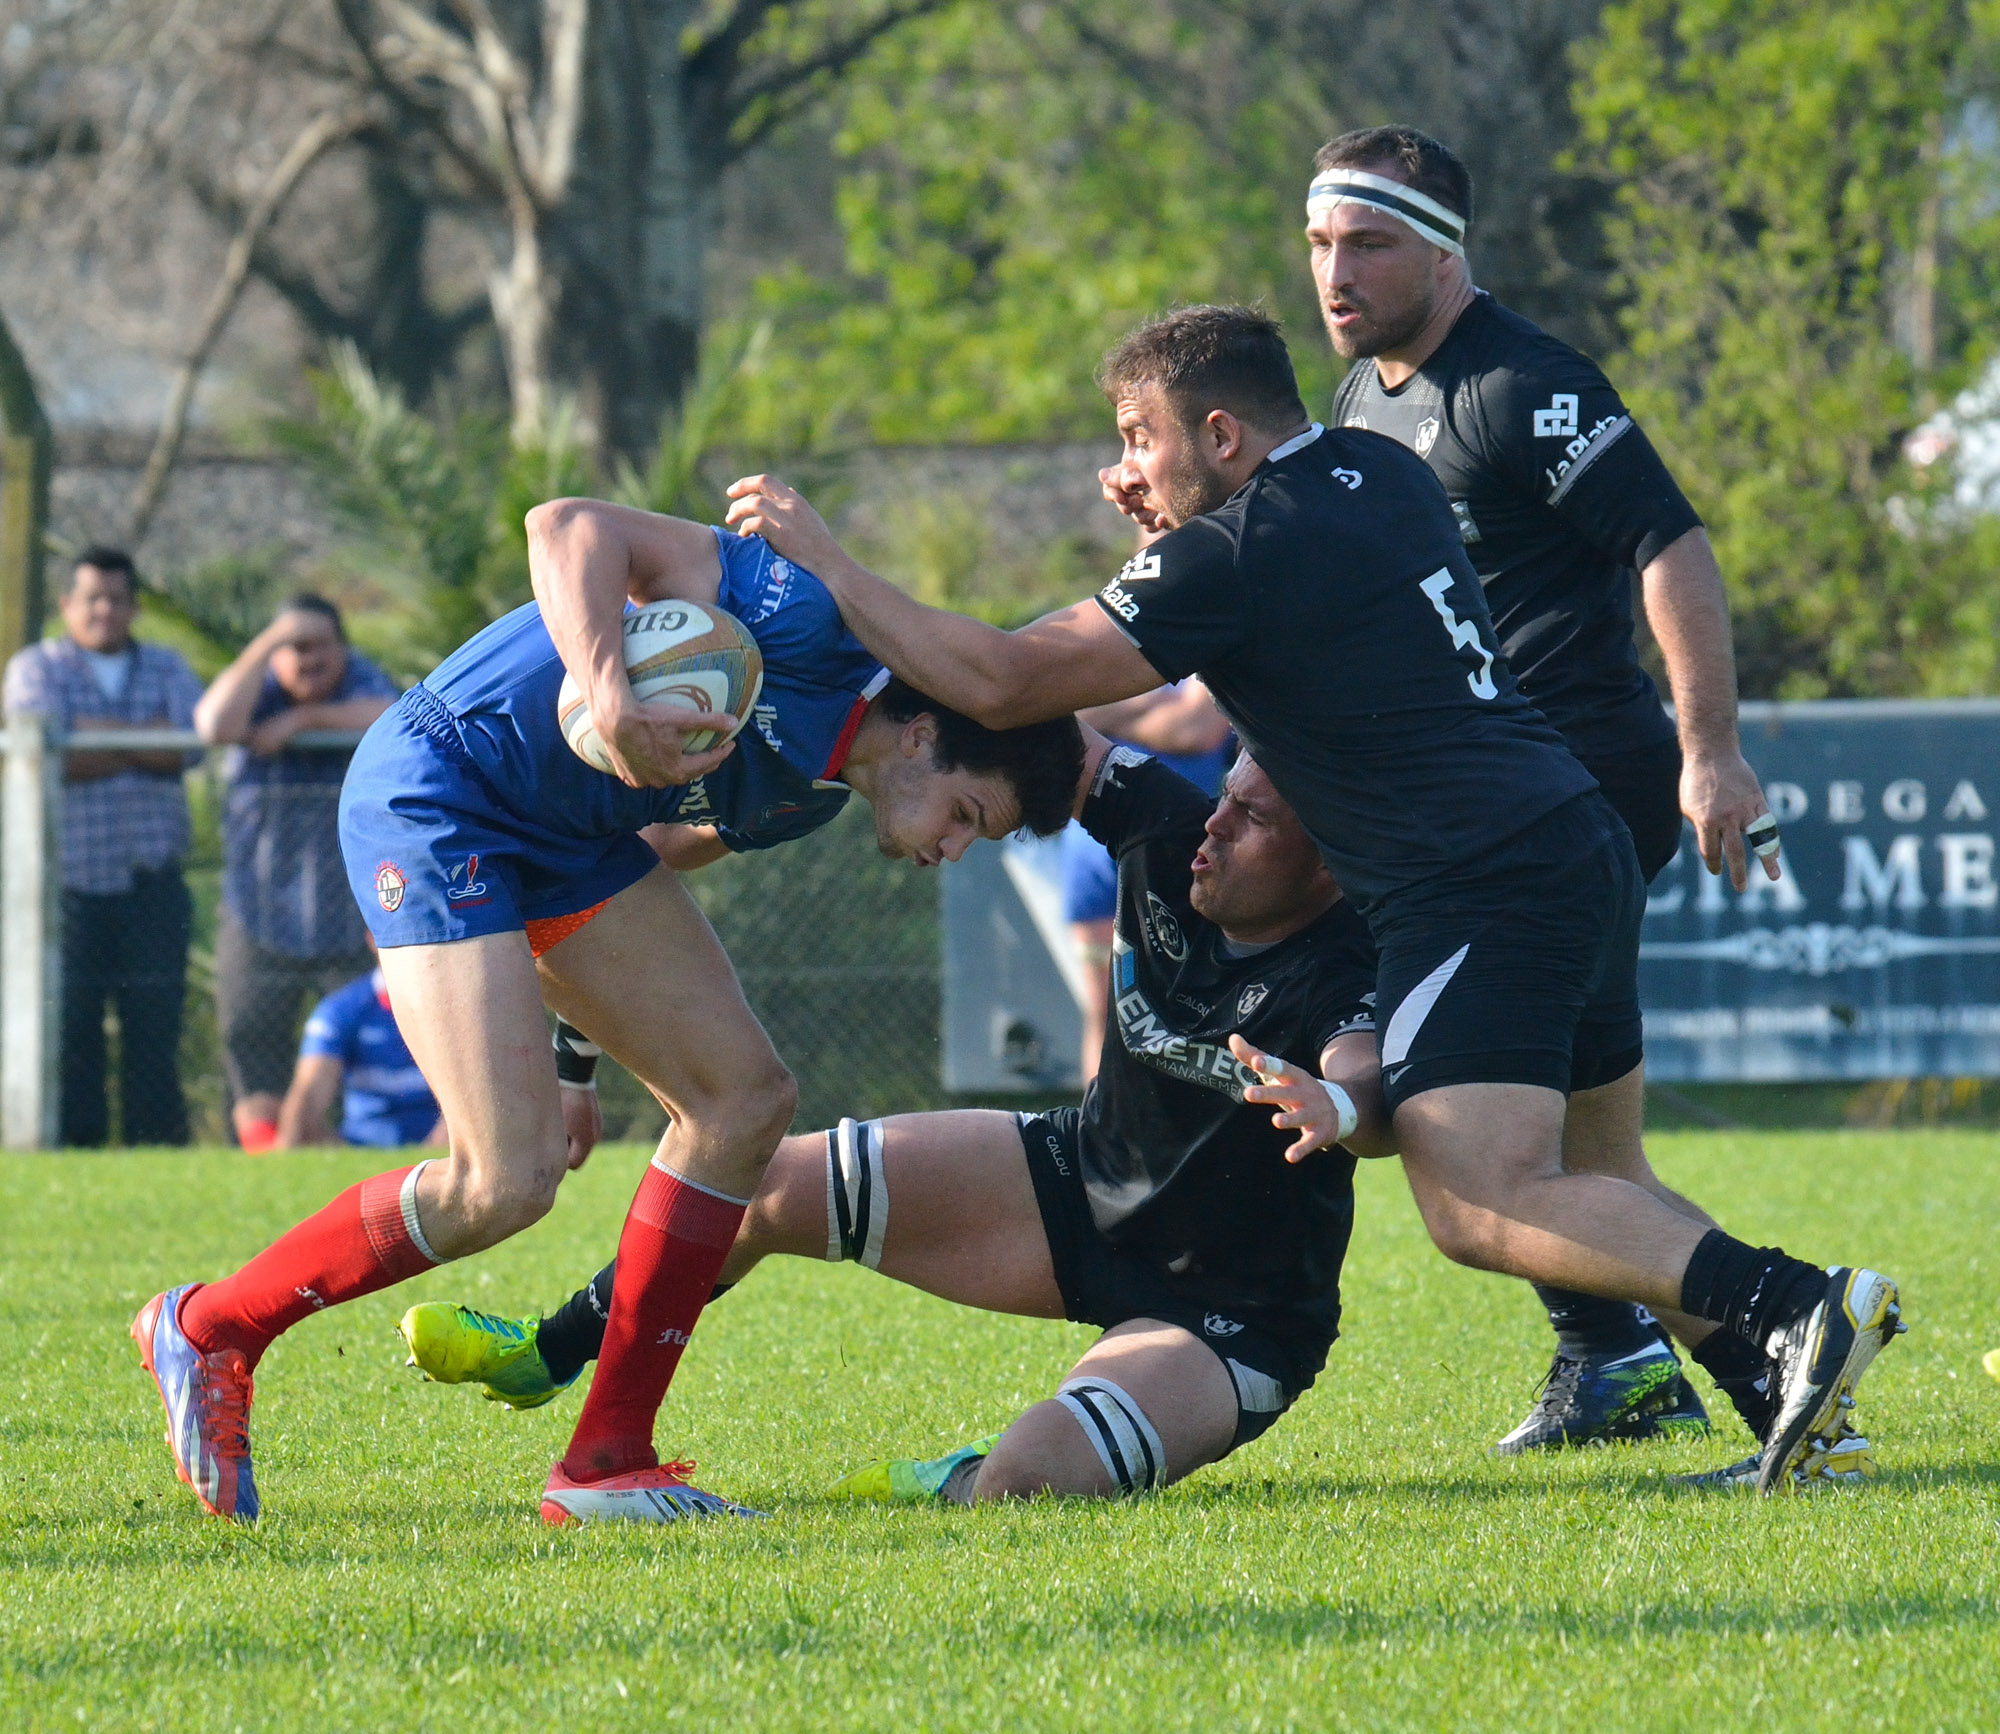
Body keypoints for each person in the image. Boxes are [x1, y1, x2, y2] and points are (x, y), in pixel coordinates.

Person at [721, 304, 1903, 1497]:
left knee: (1476, 1198)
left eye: (1136, 436)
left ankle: (1796, 1307)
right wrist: (1176, 527)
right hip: (1571, 836)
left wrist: (827, 559)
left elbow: (1004, 678)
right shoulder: (1377, 469)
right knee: (1603, 1178)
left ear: (1220, 433)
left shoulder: (1231, 553)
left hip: (1477, 879)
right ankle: (1796, 1419)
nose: (1116, 468)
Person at [130, 502, 1084, 1526]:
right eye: (965, 817)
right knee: (502, 1184)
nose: (948, 850)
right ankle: (213, 1326)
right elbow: (565, 525)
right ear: (927, 733)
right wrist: (604, 689)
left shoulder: (800, 800)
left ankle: (606, 1463)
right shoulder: (803, 618)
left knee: (742, 1103)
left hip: (566, 848)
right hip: (442, 784)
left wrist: (575, 1064)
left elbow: (661, 860)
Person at [405, 734, 1393, 1501]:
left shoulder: (1345, 967)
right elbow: (1030, 718)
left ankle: (956, 1478)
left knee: (1029, 1484)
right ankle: (548, 1351)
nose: (1214, 825)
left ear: (1328, 868)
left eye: (1252, 821)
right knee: (763, 1186)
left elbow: (1368, 1081)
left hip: (1229, 1319)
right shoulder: (1166, 832)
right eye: (1226, 793)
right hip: (1075, 1188)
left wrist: (1337, 1104)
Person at [1289, 126, 1814, 1477]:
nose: (1336, 273)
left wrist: (1713, 751)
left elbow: (1670, 541)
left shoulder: (1523, 385)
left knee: (1468, 1135)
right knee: (1591, 1151)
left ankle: (1709, 1332)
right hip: (1500, 800)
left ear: (1448, 252)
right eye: (1321, 244)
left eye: (1371, 243)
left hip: (1564, 788)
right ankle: (1663, 1358)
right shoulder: (1362, 399)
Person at [3, 547, 204, 1147]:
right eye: (91, 598)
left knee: (153, 1025)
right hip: (69, 887)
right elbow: (39, 749)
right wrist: (145, 747)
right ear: (67, 605)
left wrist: (88, 742)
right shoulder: (36, 667)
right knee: (73, 1027)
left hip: (152, 880)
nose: (104, 610)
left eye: (117, 598)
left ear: (135, 606)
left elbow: (191, 745)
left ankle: (157, 1148)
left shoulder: (168, 667)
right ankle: (77, 1147)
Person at [195, 595, 398, 1151]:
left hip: (349, 913)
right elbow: (212, 725)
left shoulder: (363, 681)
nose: (306, 661)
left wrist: (306, 719)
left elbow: (397, 713)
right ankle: (255, 1151)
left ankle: (337, 1153)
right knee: (246, 1033)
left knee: (351, 1043)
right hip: (258, 909)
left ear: (343, 649)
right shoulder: (256, 688)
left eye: (319, 646)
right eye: (293, 648)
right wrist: (266, 642)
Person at [1064, 678, 1232, 1080]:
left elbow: (1195, 728)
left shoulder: (1216, 641)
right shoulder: (1115, 631)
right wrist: (1149, 703)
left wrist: (1111, 708)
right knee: (1106, 1014)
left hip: (1180, 847)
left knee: (1187, 1015)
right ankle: (1098, 1139)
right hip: (1091, 851)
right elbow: (1065, 714)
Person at [275, 953, 445, 1149]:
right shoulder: (341, 1009)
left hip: (440, 1142)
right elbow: (308, 1096)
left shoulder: (452, 1004)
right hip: (359, 1142)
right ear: (372, 938)